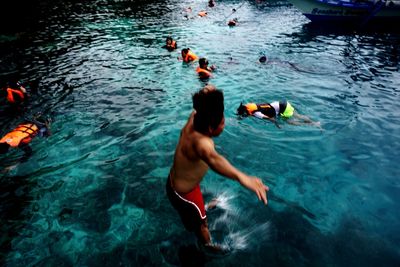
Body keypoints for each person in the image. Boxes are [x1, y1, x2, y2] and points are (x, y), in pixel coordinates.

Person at [166, 85, 269, 253]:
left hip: (178, 182)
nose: (224, 123)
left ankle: (201, 211)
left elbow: (205, 100)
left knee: (196, 212)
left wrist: (211, 93)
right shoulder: (203, 144)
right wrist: (242, 177)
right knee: (201, 225)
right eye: (222, 122)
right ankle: (208, 246)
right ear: (210, 129)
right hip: (184, 195)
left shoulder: (195, 117)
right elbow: (216, 160)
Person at [237, 101, 321, 128]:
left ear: (245, 112)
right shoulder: (251, 105)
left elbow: (271, 119)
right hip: (282, 103)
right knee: (298, 116)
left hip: (283, 109)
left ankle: (314, 124)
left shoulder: (256, 113)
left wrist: (277, 125)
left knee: (290, 122)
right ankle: (313, 121)